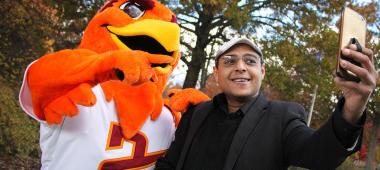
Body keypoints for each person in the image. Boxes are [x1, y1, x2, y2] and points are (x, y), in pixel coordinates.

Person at [155, 37, 378, 169]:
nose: (240, 66)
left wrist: (352, 108)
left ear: (261, 71)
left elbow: (320, 155)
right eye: (230, 61)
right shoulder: (196, 113)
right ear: (216, 73)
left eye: (250, 61)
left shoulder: (283, 118)